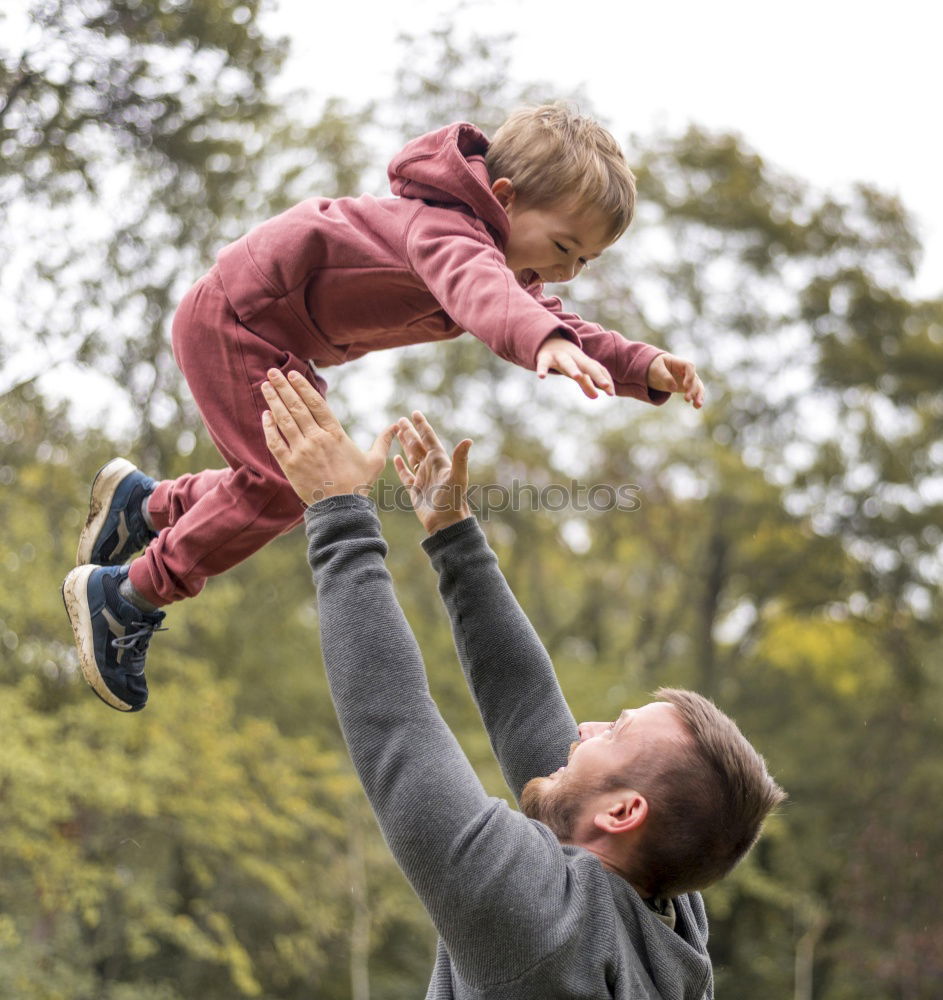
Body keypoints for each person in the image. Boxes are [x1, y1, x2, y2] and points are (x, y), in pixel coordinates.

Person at [62, 103, 705, 712]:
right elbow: (483, 292)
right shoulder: (447, 229)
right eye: (564, 247)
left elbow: (540, 308)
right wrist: (542, 341)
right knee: (292, 488)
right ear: (504, 200)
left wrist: (641, 364)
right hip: (239, 322)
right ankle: (124, 596)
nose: (567, 273)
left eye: (585, 261)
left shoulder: (493, 256)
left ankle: (144, 507)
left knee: (292, 480)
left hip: (278, 344)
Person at [260, 369, 785, 999]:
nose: (584, 729)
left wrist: (337, 511)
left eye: (614, 733)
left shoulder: (544, 934)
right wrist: (454, 537)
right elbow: (528, 712)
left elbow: (394, 727)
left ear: (623, 812)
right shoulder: (667, 918)